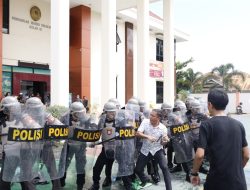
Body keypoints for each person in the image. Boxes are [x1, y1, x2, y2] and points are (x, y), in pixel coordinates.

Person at [191, 88, 249, 190]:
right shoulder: (239, 125)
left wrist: (194, 173)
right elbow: (246, 155)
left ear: (210, 104)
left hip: (216, 182)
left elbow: (200, 155)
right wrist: (237, 170)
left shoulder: (207, 125)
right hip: (239, 183)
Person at [134, 109, 172, 190]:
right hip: (145, 150)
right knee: (138, 169)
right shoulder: (145, 122)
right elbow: (138, 133)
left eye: (152, 115)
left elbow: (163, 143)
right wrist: (147, 136)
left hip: (157, 150)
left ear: (158, 118)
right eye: (150, 115)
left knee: (165, 168)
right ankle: (145, 180)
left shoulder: (163, 128)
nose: (150, 117)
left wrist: (165, 140)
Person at [88, 102, 117, 190]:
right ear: (106, 112)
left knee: (110, 166)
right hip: (106, 148)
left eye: (113, 112)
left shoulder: (120, 121)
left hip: (117, 149)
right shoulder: (102, 120)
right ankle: (96, 184)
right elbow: (98, 132)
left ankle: (108, 179)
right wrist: (94, 141)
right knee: (97, 167)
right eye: (110, 112)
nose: (112, 114)